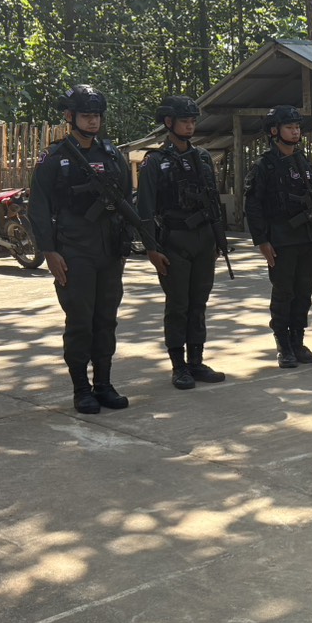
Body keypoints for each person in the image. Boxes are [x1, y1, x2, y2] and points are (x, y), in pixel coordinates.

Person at [30, 85, 157, 414]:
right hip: (74, 252)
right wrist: (49, 251)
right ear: (70, 117)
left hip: (108, 251)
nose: (93, 121)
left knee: (106, 321)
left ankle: (103, 384)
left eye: (97, 115)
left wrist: (126, 241)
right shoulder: (55, 158)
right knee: (80, 322)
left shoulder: (111, 154)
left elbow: (126, 199)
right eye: (86, 115)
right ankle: (81, 388)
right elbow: (38, 208)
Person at [137, 95, 228, 389]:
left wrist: (218, 239)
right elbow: (145, 209)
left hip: (203, 240)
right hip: (173, 240)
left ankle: (196, 361)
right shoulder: (154, 162)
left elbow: (213, 200)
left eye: (192, 121)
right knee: (178, 305)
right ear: (169, 122)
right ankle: (179, 366)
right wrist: (151, 248)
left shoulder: (202, 157)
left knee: (198, 303)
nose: (190, 126)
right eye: (184, 121)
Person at [244, 105, 312, 369]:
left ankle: (298, 342)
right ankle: (284, 346)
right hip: (280, 239)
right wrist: (261, 240)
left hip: (306, 237)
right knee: (283, 293)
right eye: (290, 127)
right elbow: (253, 205)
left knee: (304, 293)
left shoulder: (303, 161)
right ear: (274, 131)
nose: (295, 131)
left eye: (297, 127)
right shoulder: (264, 165)